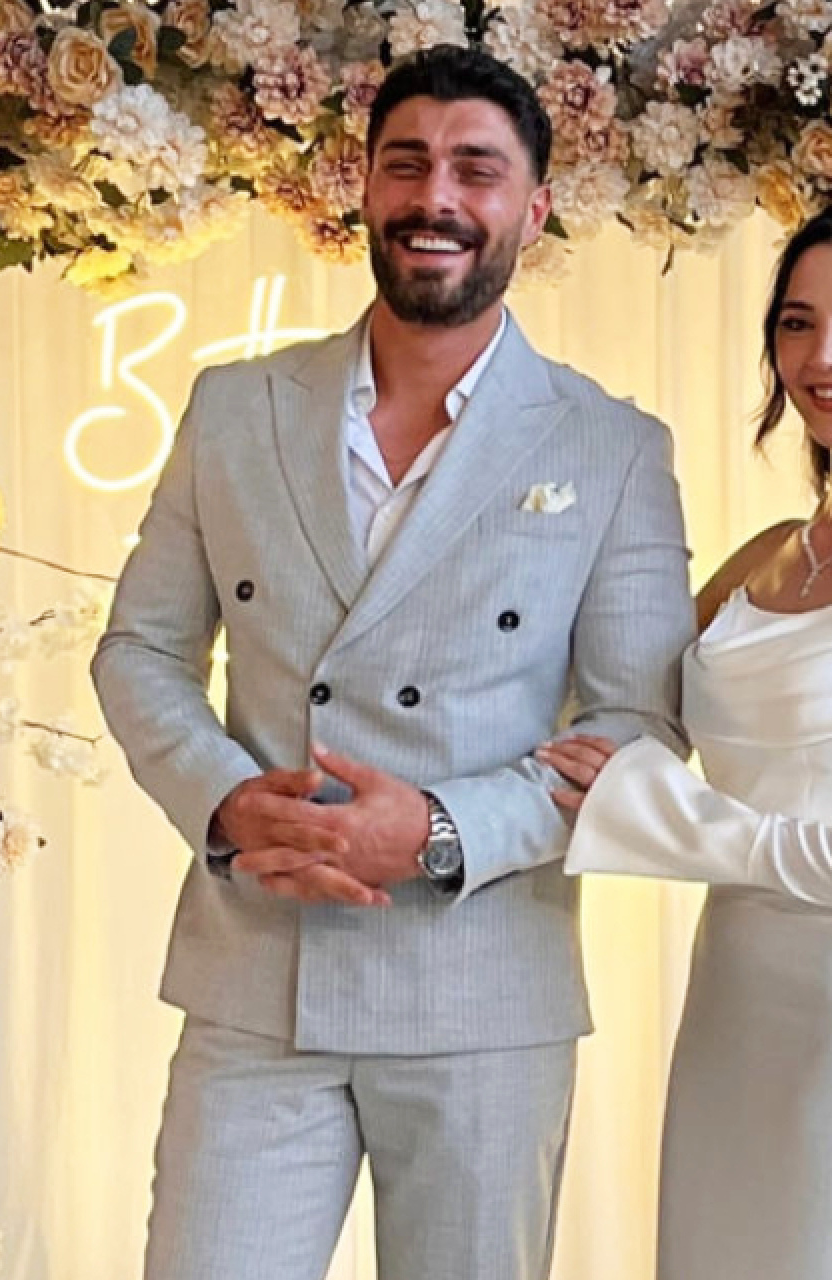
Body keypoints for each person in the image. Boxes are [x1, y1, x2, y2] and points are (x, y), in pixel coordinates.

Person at [91, 45, 694, 1280]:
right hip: (258, 972)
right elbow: (139, 647)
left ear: (532, 207)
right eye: (406, 164)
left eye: (476, 169)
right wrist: (227, 799)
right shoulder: (235, 407)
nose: (436, 198)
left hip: (481, 990)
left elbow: (642, 726)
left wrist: (437, 827)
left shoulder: (610, 445)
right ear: (362, 188)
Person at [539, 199, 832, 1280]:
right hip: (729, 1017)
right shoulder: (765, 553)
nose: (824, 355)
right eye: (797, 324)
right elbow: (604, 709)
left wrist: (680, 824)